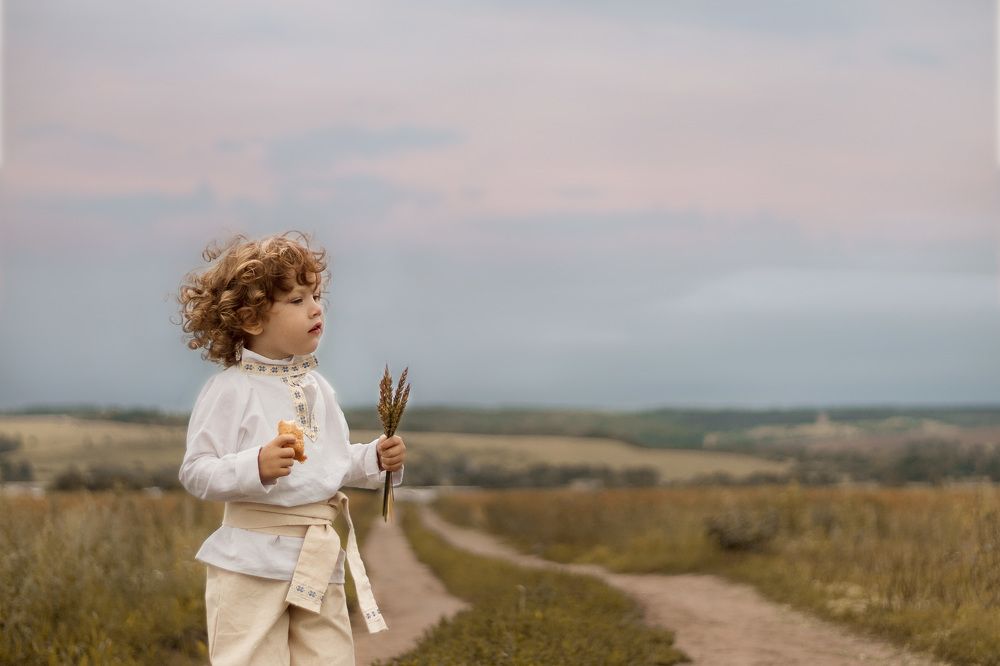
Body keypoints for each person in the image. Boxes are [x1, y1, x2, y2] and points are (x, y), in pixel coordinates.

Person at [176, 231, 406, 666]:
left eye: (316, 296)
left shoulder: (318, 388)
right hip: (250, 563)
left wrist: (374, 459)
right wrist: (255, 466)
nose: (316, 308)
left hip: (319, 558)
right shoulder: (229, 389)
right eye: (297, 300)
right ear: (250, 318)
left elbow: (330, 466)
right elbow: (197, 471)